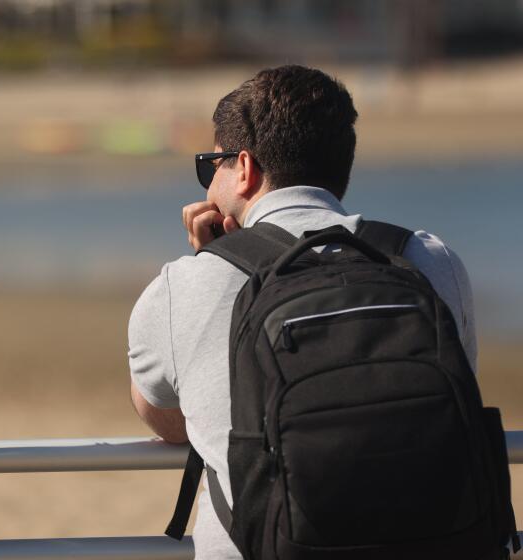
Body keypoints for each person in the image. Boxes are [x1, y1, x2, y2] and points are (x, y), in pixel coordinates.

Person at [127, 65, 476, 559]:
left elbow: (166, 418)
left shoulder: (180, 286)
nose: (208, 184)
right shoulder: (429, 259)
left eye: (212, 165)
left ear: (244, 168)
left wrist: (218, 261)